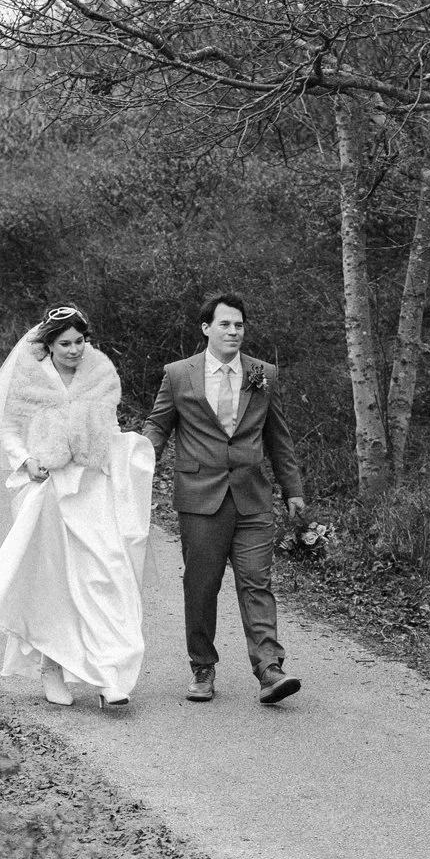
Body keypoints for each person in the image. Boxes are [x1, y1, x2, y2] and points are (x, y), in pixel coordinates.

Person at [0, 302, 154, 712]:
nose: (74, 350)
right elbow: (7, 428)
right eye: (65, 343)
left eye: (80, 341)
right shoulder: (30, 378)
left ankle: (109, 676)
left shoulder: (99, 375)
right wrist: (25, 459)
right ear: (49, 345)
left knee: (104, 575)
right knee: (53, 582)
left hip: (92, 487)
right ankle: (50, 666)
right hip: (46, 489)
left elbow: (107, 428)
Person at [141, 291, 306, 705]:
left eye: (239, 325)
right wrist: (137, 463)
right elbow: (158, 426)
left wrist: (293, 490)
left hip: (253, 497)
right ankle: (202, 667)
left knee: (257, 583)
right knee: (201, 586)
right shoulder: (179, 374)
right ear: (206, 328)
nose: (234, 331)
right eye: (225, 324)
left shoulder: (264, 373)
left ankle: (269, 669)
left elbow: (279, 438)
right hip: (200, 498)